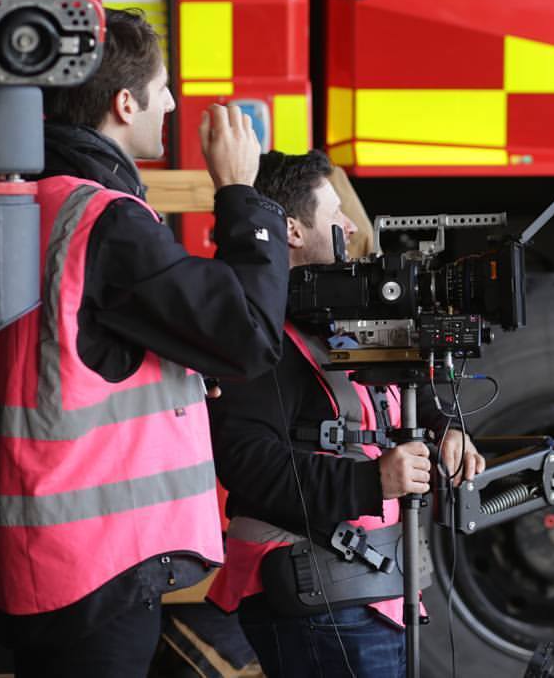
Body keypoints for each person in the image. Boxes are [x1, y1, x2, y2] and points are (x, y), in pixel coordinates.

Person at [0, 8, 289, 676]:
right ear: (126, 104)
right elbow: (247, 339)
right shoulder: (106, 219)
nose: (176, 103)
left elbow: (73, 354)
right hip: (97, 565)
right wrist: (241, 193)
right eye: (163, 89)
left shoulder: (33, 199)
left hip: (42, 553)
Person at [206, 149, 486, 678]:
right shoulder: (253, 332)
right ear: (290, 230)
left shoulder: (331, 318)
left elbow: (402, 391)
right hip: (317, 596)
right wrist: (371, 480)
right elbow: (247, 462)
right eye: (335, 213)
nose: (350, 225)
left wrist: (444, 426)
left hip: (369, 592)